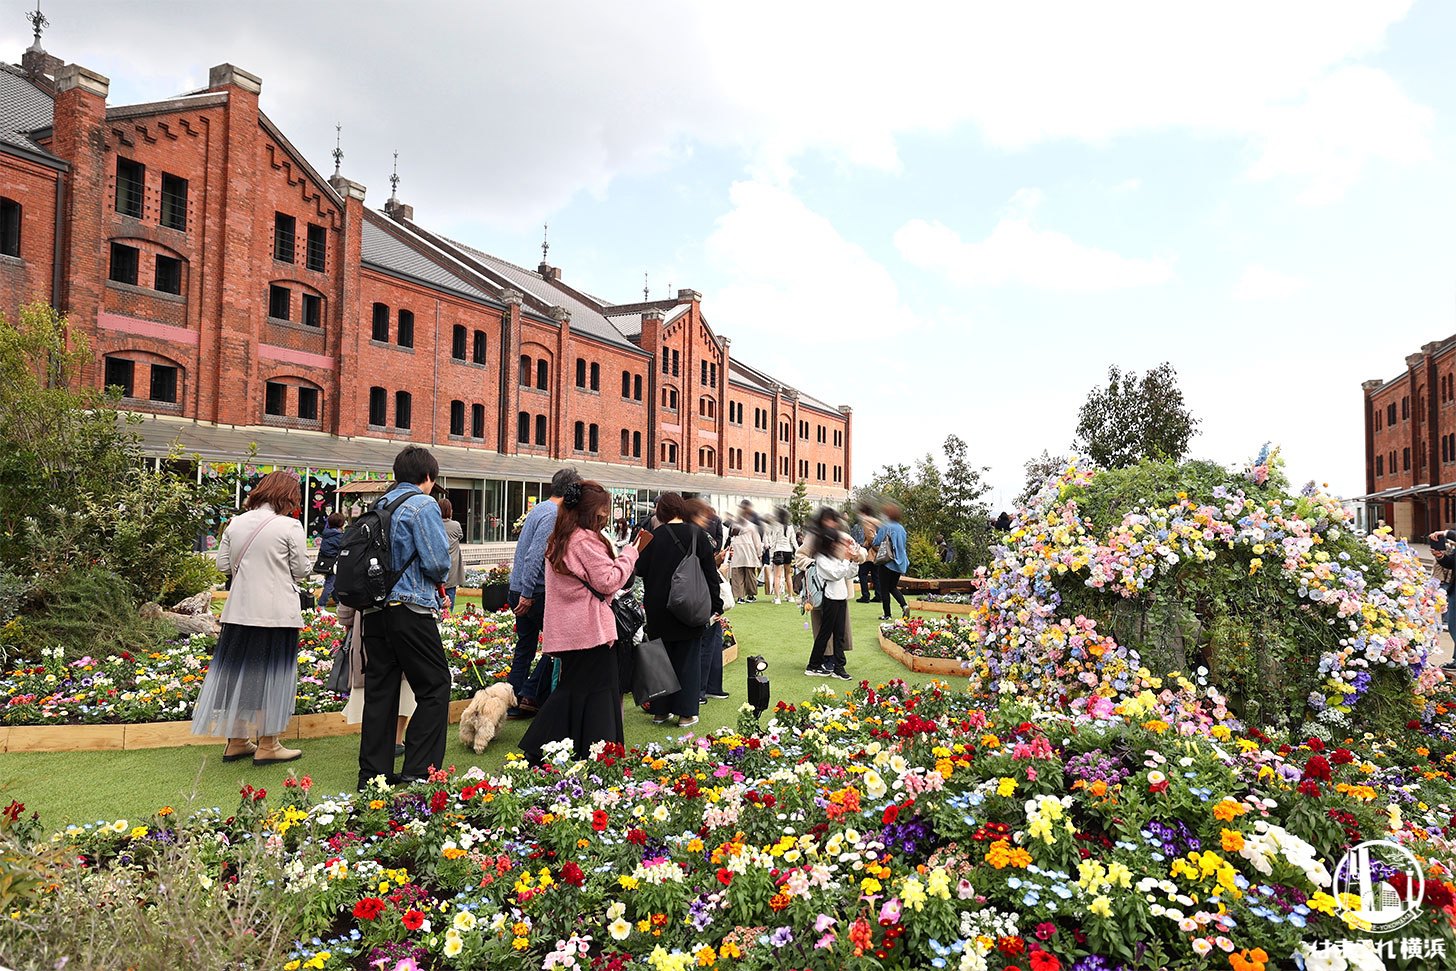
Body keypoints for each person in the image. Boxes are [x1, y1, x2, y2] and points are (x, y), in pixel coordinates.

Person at [192, 470, 312, 764]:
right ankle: (268, 744)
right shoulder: (290, 526)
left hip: (238, 611)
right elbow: (302, 570)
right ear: (287, 497)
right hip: (275, 614)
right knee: (272, 673)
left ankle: (236, 740)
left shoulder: (236, 523)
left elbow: (223, 566)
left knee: (238, 673)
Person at [520, 481, 645, 762]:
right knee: (597, 693)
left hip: (571, 630)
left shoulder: (562, 537)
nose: (605, 516)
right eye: (602, 511)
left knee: (576, 691)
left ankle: (569, 750)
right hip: (590, 630)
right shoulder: (584, 540)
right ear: (590, 511)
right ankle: (592, 751)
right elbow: (609, 580)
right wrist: (630, 554)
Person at [357, 445, 453, 788]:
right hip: (410, 607)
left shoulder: (379, 504)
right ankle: (419, 768)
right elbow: (437, 562)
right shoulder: (423, 505)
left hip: (374, 610)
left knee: (381, 691)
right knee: (436, 685)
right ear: (428, 477)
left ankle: (373, 774)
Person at [635, 492, 724, 728]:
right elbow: (710, 574)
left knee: (660, 658)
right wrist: (716, 605)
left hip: (657, 606)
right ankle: (686, 713)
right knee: (688, 659)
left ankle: (660, 711)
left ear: (660, 512)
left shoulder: (652, 537)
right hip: (689, 605)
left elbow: (639, 569)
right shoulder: (697, 535)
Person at [505, 468, 582, 719]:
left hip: (520, 588)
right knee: (558, 645)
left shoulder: (539, 509)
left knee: (524, 648)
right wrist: (527, 594)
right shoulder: (553, 514)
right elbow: (534, 556)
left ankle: (514, 700)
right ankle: (530, 694)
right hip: (534, 592)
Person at [337, 600, 414, 757]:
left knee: (374, 680)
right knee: (403, 680)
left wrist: (346, 617)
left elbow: (348, 590)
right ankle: (396, 740)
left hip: (369, 617)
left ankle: (378, 741)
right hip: (406, 615)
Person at [805, 508, 861, 679]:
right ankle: (813, 665)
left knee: (839, 634)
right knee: (825, 633)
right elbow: (835, 574)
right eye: (835, 543)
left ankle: (839, 667)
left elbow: (848, 574)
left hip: (840, 597)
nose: (838, 545)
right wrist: (846, 559)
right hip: (830, 598)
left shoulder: (835, 558)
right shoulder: (821, 558)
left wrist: (853, 560)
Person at [689, 499, 731, 704]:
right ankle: (700, 690)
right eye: (703, 515)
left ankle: (712, 686)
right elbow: (707, 570)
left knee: (714, 639)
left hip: (697, 593)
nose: (707, 520)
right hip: (701, 595)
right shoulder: (698, 535)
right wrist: (717, 604)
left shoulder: (691, 534)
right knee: (706, 642)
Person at [874, 502, 911, 621]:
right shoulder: (901, 528)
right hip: (900, 562)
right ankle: (904, 606)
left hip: (887, 561)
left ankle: (887, 614)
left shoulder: (885, 527)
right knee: (892, 587)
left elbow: (876, 541)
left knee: (884, 588)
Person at [763, 508, 796, 604]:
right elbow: (793, 541)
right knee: (788, 575)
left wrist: (771, 552)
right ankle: (790, 596)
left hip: (778, 551)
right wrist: (798, 551)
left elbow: (774, 541)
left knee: (777, 576)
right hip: (788, 551)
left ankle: (777, 598)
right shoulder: (790, 527)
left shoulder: (776, 526)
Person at [439, 496, 465, 611]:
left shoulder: (434, 524)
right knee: (450, 598)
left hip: (438, 567)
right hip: (452, 567)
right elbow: (460, 536)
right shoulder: (456, 525)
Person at [729, 519, 764, 603]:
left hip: (737, 550)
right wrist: (759, 553)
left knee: (738, 575)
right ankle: (750, 595)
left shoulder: (734, 526)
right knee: (750, 575)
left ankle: (740, 597)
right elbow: (757, 542)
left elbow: (730, 539)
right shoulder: (751, 526)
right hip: (749, 551)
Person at [317, 512, 345, 606]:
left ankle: (338, 602)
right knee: (330, 584)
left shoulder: (326, 534)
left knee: (333, 583)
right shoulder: (338, 536)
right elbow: (343, 546)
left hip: (326, 562)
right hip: (334, 563)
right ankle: (321, 605)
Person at [855, 503, 881, 603]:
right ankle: (878, 595)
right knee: (876, 575)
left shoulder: (866, 522)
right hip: (876, 554)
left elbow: (870, 537)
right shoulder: (877, 522)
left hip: (869, 553)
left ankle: (865, 596)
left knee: (862, 574)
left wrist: (870, 546)